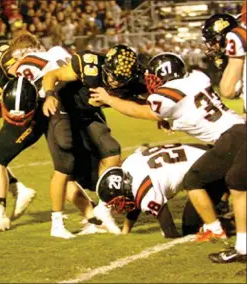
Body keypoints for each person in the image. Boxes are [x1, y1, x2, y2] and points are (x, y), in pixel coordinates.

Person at [90, 52, 246, 263]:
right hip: (237, 128)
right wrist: (170, 119)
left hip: (229, 138)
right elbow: (191, 108)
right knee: (233, 183)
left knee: (194, 180)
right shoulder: (197, 77)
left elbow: (142, 111)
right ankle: (228, 224)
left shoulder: (165, 95)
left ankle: (215, 229)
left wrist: (110, 99)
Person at [0, 31, 105, 238]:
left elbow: (26, 84)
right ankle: (93, 215)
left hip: (39, 113)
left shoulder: (2, 56)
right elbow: (10, 98)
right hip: (30, 114)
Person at [42, 45, 148, 236]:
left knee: (112, 151)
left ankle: (102, 210)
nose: (114, 83)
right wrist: (49, 96)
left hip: (88, 114)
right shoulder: (90, 64)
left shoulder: (136, 79)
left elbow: (147, 100)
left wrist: (163, 117)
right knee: (66, 167)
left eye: (120, 80)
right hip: (63, 111)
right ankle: (57, 223)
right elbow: (51, 76)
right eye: (112, 76)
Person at [95, 143, 234, 238]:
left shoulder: (145, 193)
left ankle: (234, 222)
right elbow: (135, 199)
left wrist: (171, 236)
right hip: (206, 152)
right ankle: (221, 205)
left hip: (210, 167)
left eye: (118, 201)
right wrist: (126, 231)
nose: (118, 206)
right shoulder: (129, 165)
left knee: (191, 228)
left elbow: (170, 232)